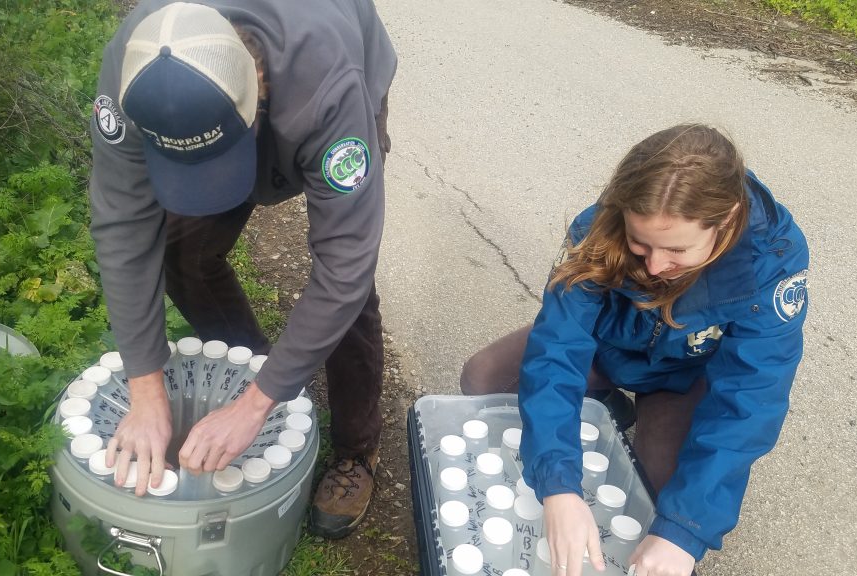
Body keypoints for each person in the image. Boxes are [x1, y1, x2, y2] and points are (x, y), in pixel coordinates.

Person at [87, 0, 396, 539]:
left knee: (349, 291)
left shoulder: (328, 89)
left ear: (257, 85)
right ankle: (256, 373)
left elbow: (345, 264)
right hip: (225, 108)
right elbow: (121, 225)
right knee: (182, 251)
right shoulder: (131, 80)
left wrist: (254, 409)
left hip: (334, 71)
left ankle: (355, 449)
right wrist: (145, 386)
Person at [459, 124, 809, 576]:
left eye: (678, 250)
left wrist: (682, 534)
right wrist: (558, 487)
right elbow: (558, 349)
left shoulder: (770, 262)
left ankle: (635, 421)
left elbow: (750, 402)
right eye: (640, 244)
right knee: (485, 379)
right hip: (605, 351)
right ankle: (603, 403)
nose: (657, 266)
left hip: (682, 378)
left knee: (664, 500)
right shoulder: (596, 227)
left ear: (726, 221)